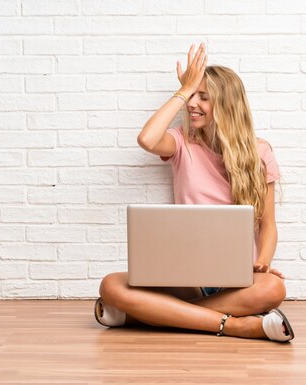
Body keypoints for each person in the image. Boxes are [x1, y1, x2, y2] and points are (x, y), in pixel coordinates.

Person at [94, 42, 294, 342]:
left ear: (226, 105)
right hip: (186, 277)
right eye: (191, 96)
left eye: (203, 97)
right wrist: (182, 90)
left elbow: (268, 225)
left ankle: (153, 315)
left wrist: (263, 262)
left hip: (237, 279)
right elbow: (147, 139)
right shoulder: (181, 142)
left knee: (274, 288)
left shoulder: (260, 152)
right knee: (111, 286)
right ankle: (238, 326)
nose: (192, 104)